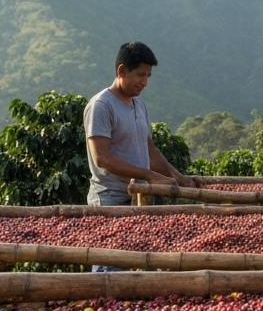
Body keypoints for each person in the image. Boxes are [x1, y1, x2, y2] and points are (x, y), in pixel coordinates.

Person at [84, 41, 196, 209]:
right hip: (110, 197)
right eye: (140, 75)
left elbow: (149, 150)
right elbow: (101, 157)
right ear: (121, 71)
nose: (144, 82)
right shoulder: (101, 105)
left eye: (147, 76)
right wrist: (148, 175)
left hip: (139, 195)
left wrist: (178, 177)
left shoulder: (140, 105)